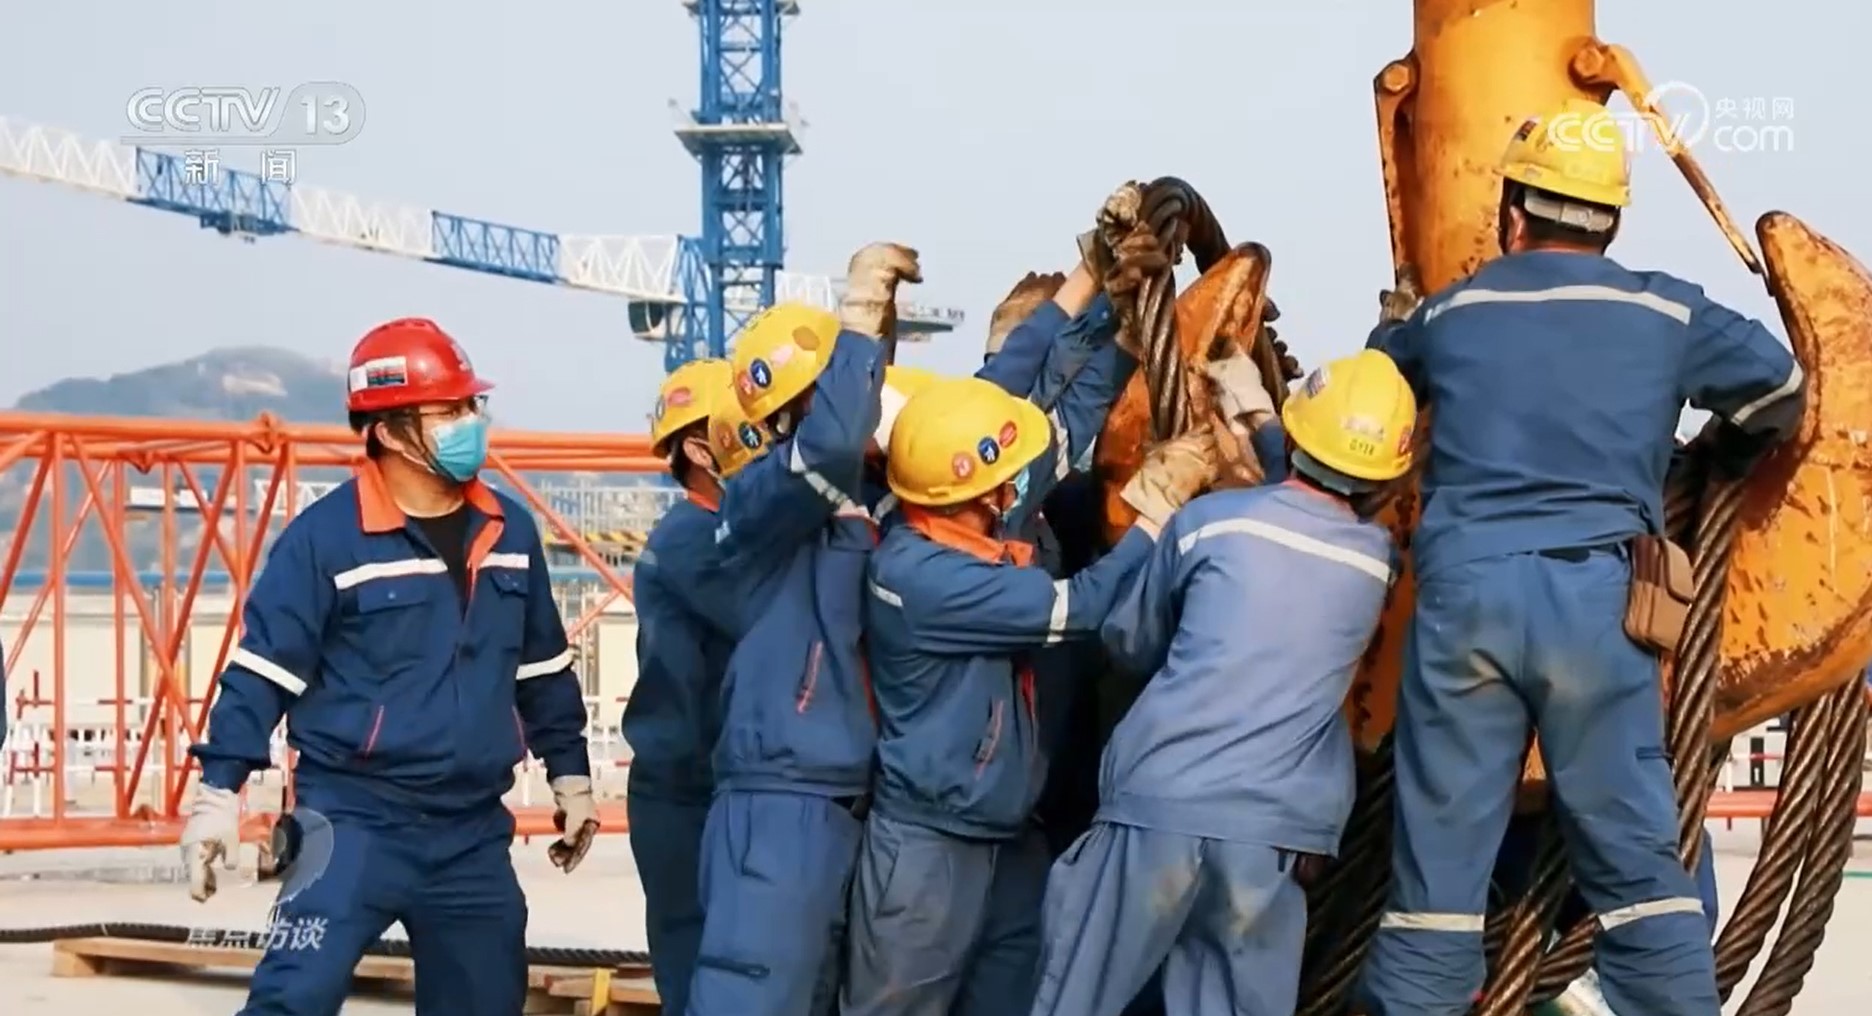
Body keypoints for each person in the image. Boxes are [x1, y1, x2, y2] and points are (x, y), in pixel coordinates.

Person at [1355, 97, 1806, 1016]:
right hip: (1595, 607)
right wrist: (1710, 454)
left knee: (1437, 880)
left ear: (1512, 212)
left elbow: (1378, 384)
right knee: (1638, 870)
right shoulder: (1664, 309)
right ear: (1611, 221)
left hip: (1464, 603)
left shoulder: (1452, 313)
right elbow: (1783, 394)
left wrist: (1394, 326)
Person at [179, 318, 596, 1016]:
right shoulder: (326, 541)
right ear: (390, 430)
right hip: (350, 821)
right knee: (295, 996)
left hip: (471, 832)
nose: (471, 424)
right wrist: (218, 797)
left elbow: (542, 667)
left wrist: (571, 775)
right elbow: (261, 675)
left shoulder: (510, 532)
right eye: (450, 411)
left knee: (486, 1002)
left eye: (471, 406)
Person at [1026, 349, 1417, 1016]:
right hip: (1268, 839)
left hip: (1160, 807)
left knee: (1077, 998)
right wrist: (1261, 420)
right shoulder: (1378, 562)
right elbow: (1317, 508)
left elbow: (1129, 643)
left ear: (1299, 436)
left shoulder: (1206, 524)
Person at [840, 373, 1218, 1016]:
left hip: (1006, 836)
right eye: (1005, 473)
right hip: (929, 847)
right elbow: (1083, 605)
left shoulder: (964, 538)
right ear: (977, 488)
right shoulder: (922, 575)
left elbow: (1053, 444)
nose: (1016, 482)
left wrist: (1110, 333)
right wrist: (1154, 513)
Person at [683, 292, 895, 1016]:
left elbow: (984, 427)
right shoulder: (759, 504)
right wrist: (860, 319)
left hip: (850, 806)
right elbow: (828, 446)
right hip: (779, 807)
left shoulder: (859, 504)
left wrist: (1079, 305)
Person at [627, 357, 768, 1016]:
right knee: (699, 975)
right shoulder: (693, 538)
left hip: (712, 782)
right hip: (686, 791)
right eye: (749, 424)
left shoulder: (723, 533)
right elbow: (769, 613)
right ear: (700, 448)